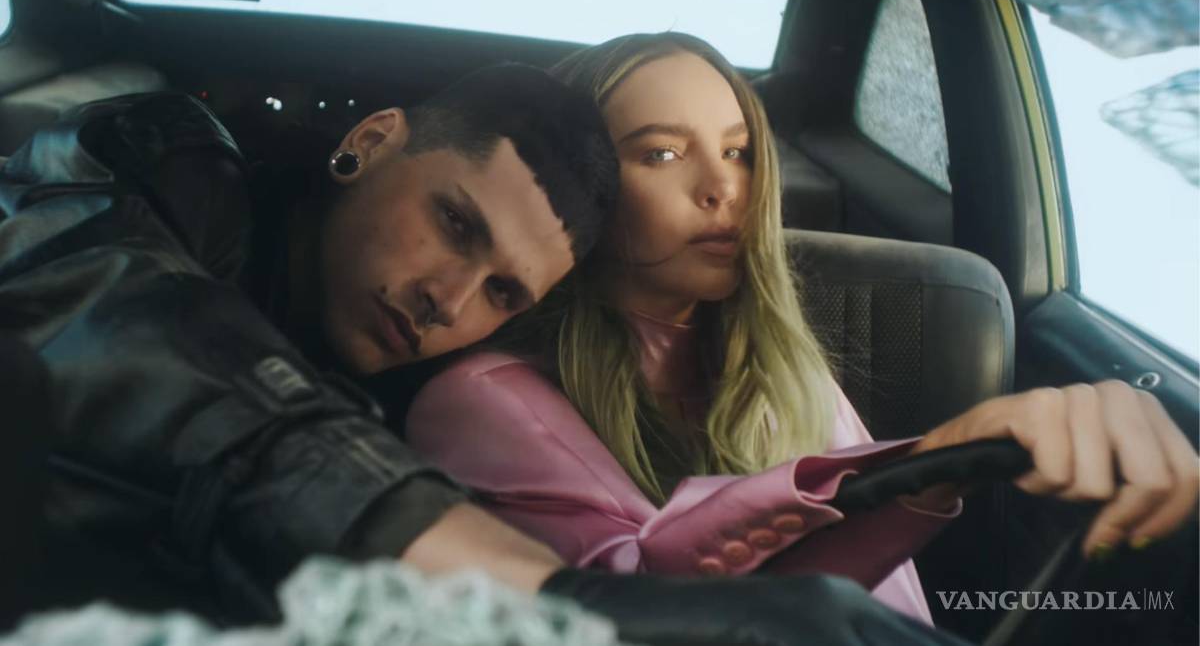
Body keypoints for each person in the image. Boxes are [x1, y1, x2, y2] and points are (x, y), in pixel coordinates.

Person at [0, 63, 971, 646]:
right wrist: (568, 599)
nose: (449, 299)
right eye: (454, 224)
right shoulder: (162, 167)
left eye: (504, 291)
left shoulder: (437, 397)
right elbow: (116, 319)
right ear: (373, 140)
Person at [405, 32, 1200, 624]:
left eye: (740, 151)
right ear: (582, 190)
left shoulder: (784, 365)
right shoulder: (479, 400)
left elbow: (895, 611)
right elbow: (640, 606)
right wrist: (926, 466)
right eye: (662, 155)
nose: (723, 187)